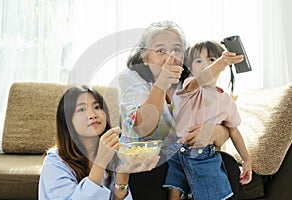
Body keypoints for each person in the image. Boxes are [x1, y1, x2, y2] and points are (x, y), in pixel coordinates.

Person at [118, 21, 233, 200]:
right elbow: (143, 128)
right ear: (145, 57)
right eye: (160, 50)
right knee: (156, 170)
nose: (170, 57)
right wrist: (162, 83)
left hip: (185, 158)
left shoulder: (190, 83)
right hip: (146, 165)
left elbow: (226, 129)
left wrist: (214, 131)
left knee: (228, 165)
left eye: (177, 50)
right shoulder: (131, 80)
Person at [163, 40, 252, 199]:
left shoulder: (226, 101)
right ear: (190, 67)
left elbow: (234, 131)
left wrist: (247, 160)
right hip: (176, 150)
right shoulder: (190, 86)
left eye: (211, 59)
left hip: (203, 155)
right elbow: (203, 78)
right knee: (174, 190)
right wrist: (221, 61)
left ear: (225, 67)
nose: (205, 64)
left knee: (212, 194)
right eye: (198, 60)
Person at [39, 85, 157, 200]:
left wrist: (122, 176)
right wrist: (100, 162)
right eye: (82, 109)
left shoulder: (115, 153)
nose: (92, 115)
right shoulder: (55, 162)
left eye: (97, 107)